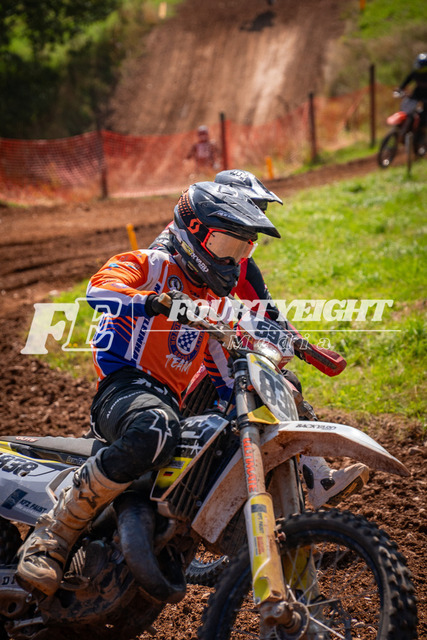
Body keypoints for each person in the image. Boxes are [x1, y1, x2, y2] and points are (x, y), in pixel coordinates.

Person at [16, 181, 284, 596]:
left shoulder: (214, 305)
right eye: (225, 246)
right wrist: (152, 301)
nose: (232, 261)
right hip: (123, 389)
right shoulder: (151, 265)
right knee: (156, 426)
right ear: (193, 231)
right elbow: (98, 290)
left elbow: (228, 376)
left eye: (242, 251)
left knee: (227, 437)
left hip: (170, 403)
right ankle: (54, 534)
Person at [150, 169, 369, 511]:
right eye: (251, 209)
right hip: (175, 366)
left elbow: (265, 309)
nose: (253, 223)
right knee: (260, 389)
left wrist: (303, 346)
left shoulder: (235, 258)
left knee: (282, 384)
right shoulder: (178, 249)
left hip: (216, 351)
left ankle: (314, 484)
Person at [395, 52, 427, 135]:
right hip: (417, 93)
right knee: (406, 109)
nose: (420, 68)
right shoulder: (415, 72)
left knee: (424, 116)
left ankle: (421, 134)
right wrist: (400, 89)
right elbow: (407, 80)